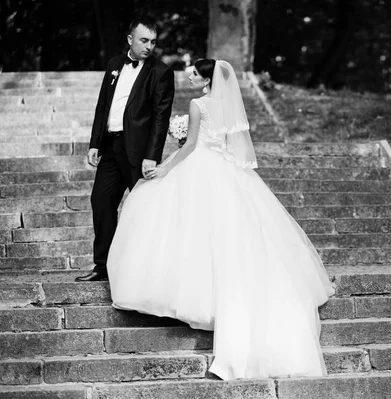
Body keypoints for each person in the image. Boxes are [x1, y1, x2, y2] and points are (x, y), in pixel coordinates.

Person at [106, 59, 334, 380]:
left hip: (199, 165)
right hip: (225, 169)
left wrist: (165, 168)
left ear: (208, 79)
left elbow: (192, 147)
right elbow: (228, 144)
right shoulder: (227, 107)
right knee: (230, 234)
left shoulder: (198, 104)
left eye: (196, 74)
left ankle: (196, 299)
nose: (190, 77)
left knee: (185, 225)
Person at [76, 17, 175, 282]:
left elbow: (160, 118)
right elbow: (102, 106)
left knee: (145, 210)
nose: (149, 46)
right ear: (130, 39)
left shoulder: (161, 72)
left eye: (153, 41)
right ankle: (103, 266)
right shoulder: (113, 66)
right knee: (101, 202)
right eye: (144, 40)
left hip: (138, 153)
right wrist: (95, 143)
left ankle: (149, 268)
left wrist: (151, 156)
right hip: (110, 147)